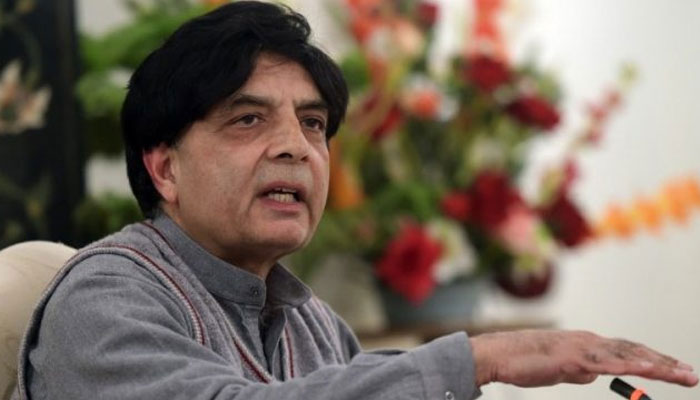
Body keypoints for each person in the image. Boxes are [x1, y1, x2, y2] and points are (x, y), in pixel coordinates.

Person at [13, 2, 698, 399]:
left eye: (313, 123)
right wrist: (481, 359)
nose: (297, 147)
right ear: (164, 168)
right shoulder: (103, 297)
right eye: (248, 119)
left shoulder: (313, 322)